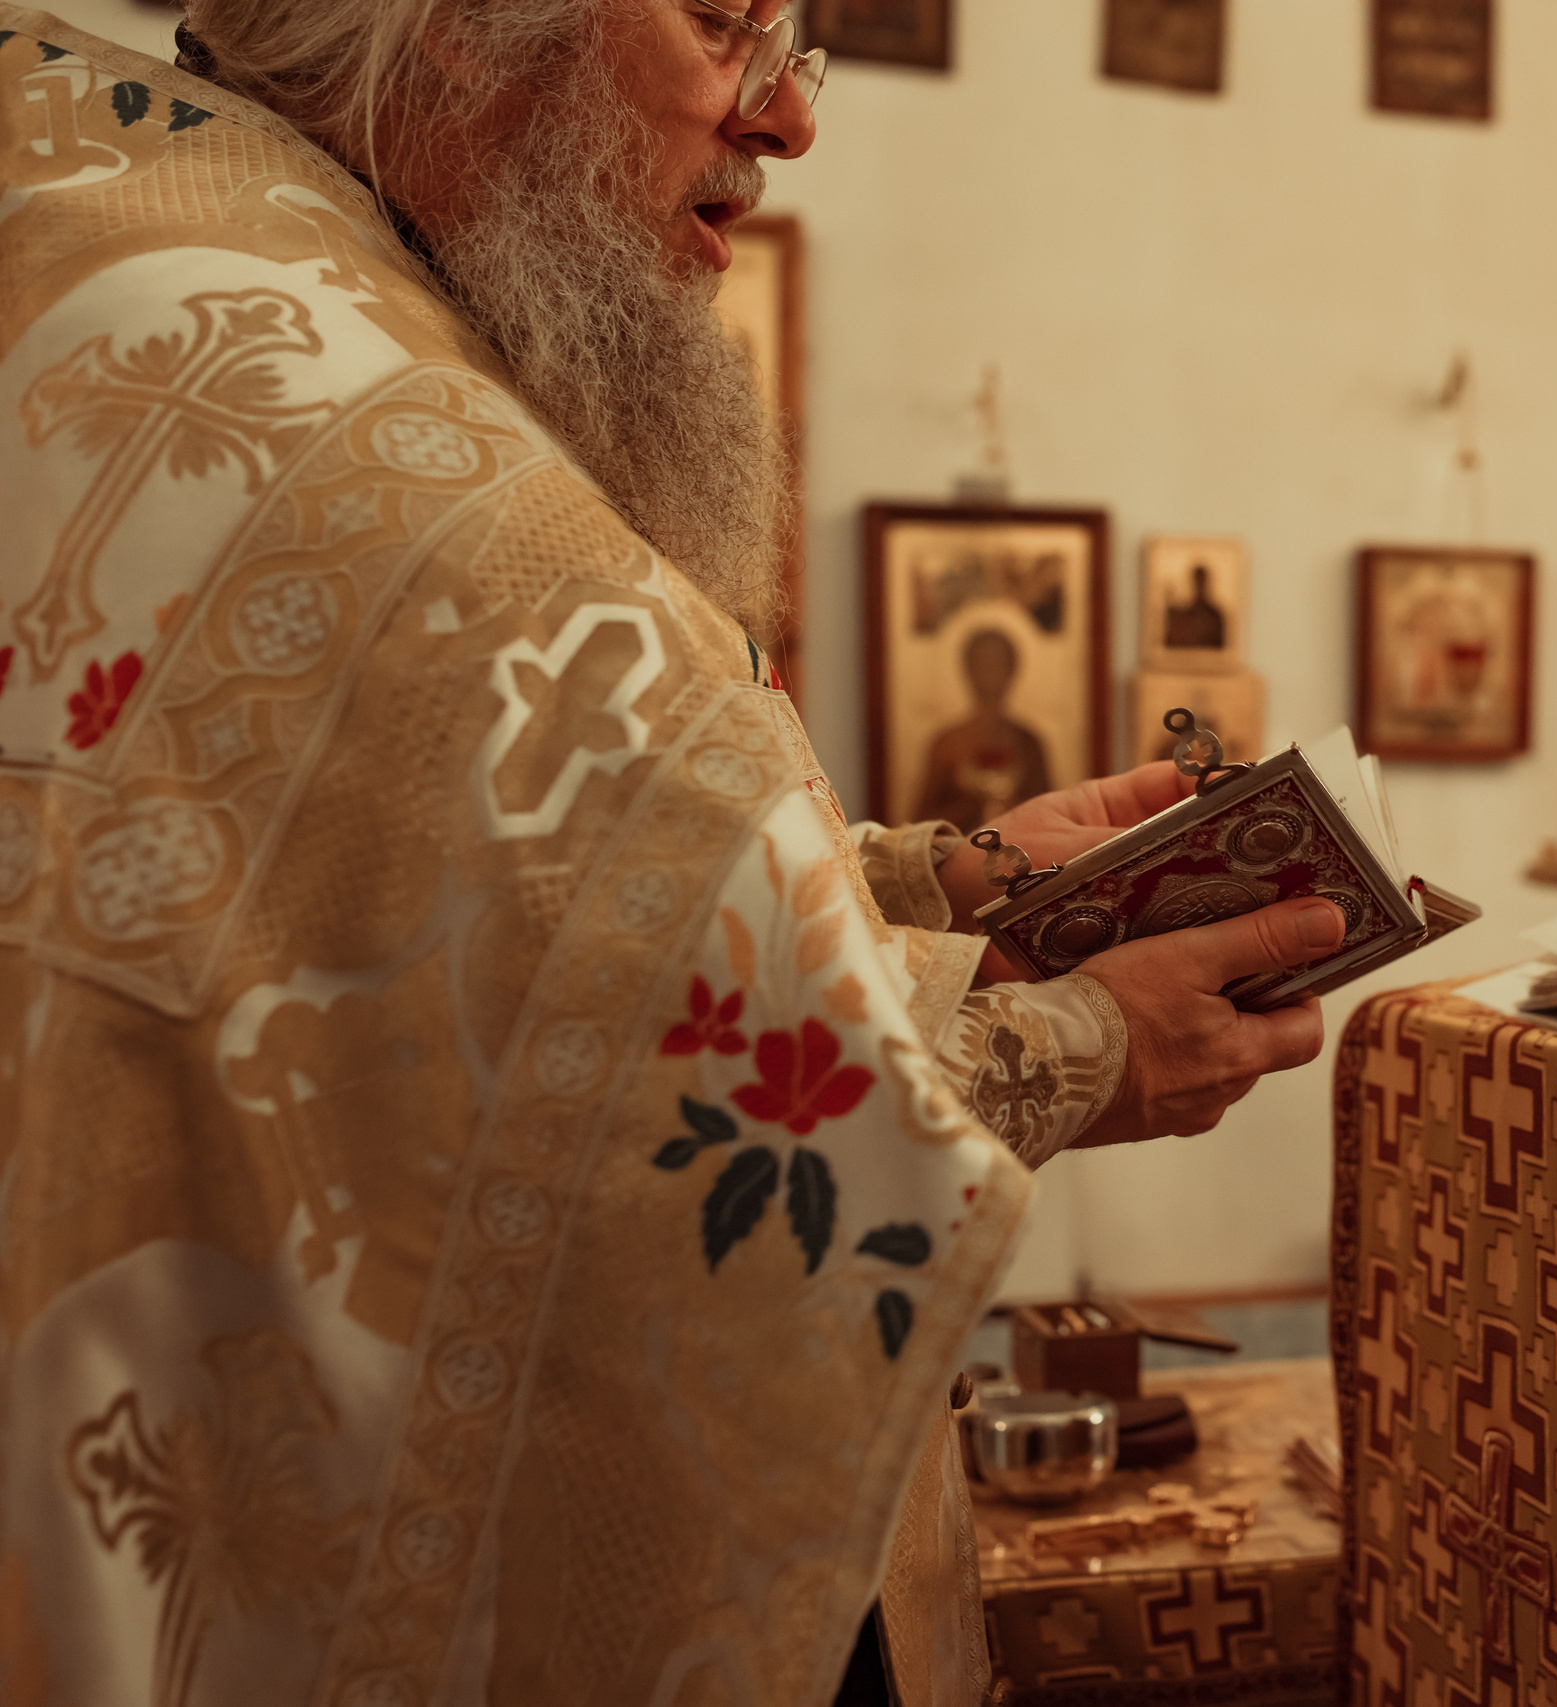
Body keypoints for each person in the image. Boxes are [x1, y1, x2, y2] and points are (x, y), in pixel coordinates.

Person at [0, 6, 1342, 1705]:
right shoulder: (391, 454)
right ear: (463, 27)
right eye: (724, 20)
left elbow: (460, 920)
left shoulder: (139, 222)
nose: (787, 118)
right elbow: (565, 1094)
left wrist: (941, 881)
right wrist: (1076, 1044)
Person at [913, 627, 1054, 829]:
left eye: (998, 664)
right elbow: (921, 823)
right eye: (983, 664)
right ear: (968, 670)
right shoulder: (947, 742)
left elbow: (1049, 814)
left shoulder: (1029, 742)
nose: (990, 674)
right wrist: (971, 805)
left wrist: (1012, 806)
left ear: (1012, 670)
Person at [1159, 561, 1227, 652]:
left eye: (1201, 581)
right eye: (1196, 581)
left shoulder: (1215, 616)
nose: (1199, 585)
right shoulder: (1183, 614)